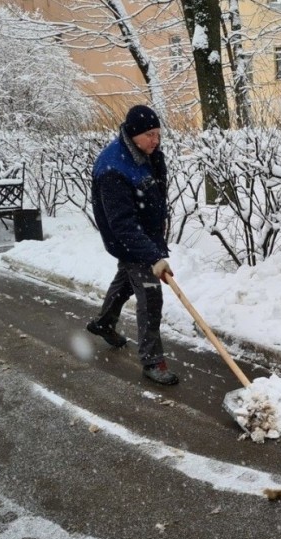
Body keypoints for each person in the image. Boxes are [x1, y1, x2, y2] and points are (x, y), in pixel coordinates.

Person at [86, 104, 178, 385]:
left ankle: (104, 322)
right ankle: (153, 361)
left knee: (127, 279)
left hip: (145, 236)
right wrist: (152, 256)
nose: (156, 141)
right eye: (150, 135)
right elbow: (122, 224)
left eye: (158, 134)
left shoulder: (145, 153)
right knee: (150, 297)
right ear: (134, 133)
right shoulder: (114, 167)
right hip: (129, 240)